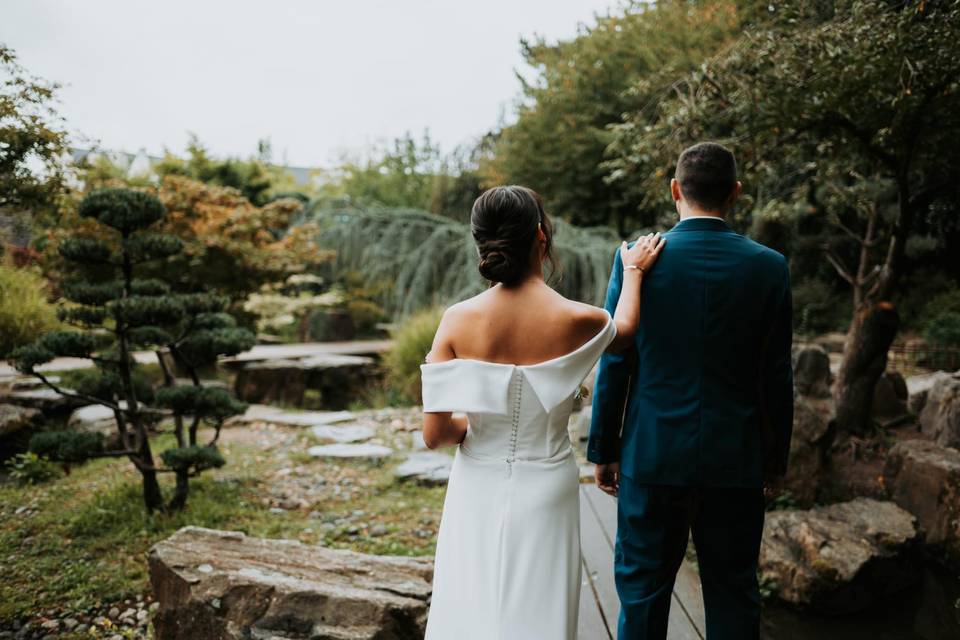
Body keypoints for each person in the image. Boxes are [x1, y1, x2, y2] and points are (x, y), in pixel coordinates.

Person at [420, 185, 664, 639]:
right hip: (548, 479)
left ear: (482, 243)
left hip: (477, 480)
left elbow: (434, 435)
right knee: (541, 606)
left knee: (469, 599)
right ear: (540, 236)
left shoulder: (456, 319)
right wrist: (632, 271)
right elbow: (626, 330)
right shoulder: (579, 319)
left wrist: (472, 426)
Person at [589, 142, 794, 640]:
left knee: (641, 595)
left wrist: (603, 448)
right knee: (733, 594)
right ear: (736, 194)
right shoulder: (769, 267)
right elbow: (775, 375)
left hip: (652, 455)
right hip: (735, 458)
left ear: (676, 190)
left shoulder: (637, 260)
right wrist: (774, 460)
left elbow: (615, 361)